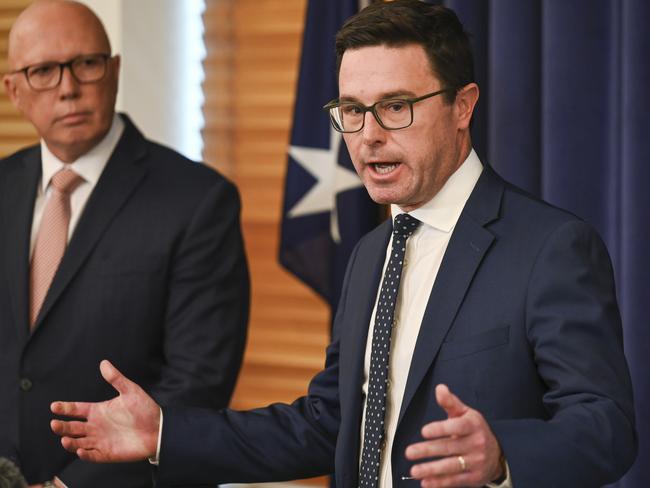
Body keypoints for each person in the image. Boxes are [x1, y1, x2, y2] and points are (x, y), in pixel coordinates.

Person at [50, 1, 637, 487]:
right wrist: (162, 435)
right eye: (352, 111)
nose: (369, 137)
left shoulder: (551, 246)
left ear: (463, 106)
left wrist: (503, 454)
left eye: (396, 107)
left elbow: (606, 427)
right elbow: (330, 426)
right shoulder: (370, 254)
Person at [0, 1, 249, 487]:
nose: (68, 88)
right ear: (14, 90)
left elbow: (197, 384)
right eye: (44, 71)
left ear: (114, 70)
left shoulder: (199, 200)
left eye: (86, 64)